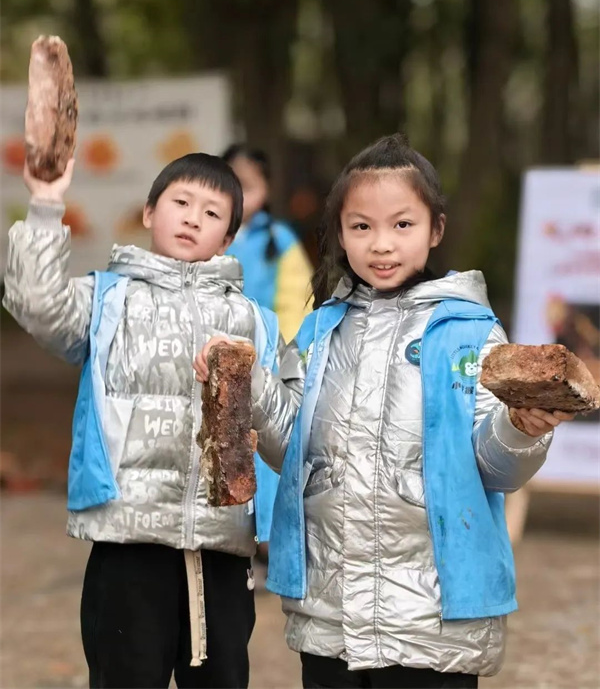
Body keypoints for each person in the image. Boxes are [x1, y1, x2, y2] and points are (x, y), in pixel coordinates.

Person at [196, 133, 574, 689]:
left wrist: (521, 429)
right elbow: (289, 452)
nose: (381, 244)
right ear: (339, 233)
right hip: (332, 618)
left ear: (435, 229)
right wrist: (247, 380)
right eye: (361, 226)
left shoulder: (469, 334)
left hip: (434, 625)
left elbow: (497, 470)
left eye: (402, 224)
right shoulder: (320, 332)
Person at [3, 152, 281, 689]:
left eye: (212, 212)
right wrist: (45, 204)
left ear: (228, 238)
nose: (193, 218)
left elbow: (285, 434)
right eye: (181, 202)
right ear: (150, 211)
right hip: (128, 543)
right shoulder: (108, 300)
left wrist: (253, 382)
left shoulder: (255, 322)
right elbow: (37, 303)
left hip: (221, 550)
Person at [222, 144, 313, 343]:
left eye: (247, 187)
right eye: (230, 186)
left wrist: (287, 351)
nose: (238, 195)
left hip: (267, 350)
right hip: (208, 350)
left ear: (267, 189)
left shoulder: (281, 238)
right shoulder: (203, 234)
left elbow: (296, 303)